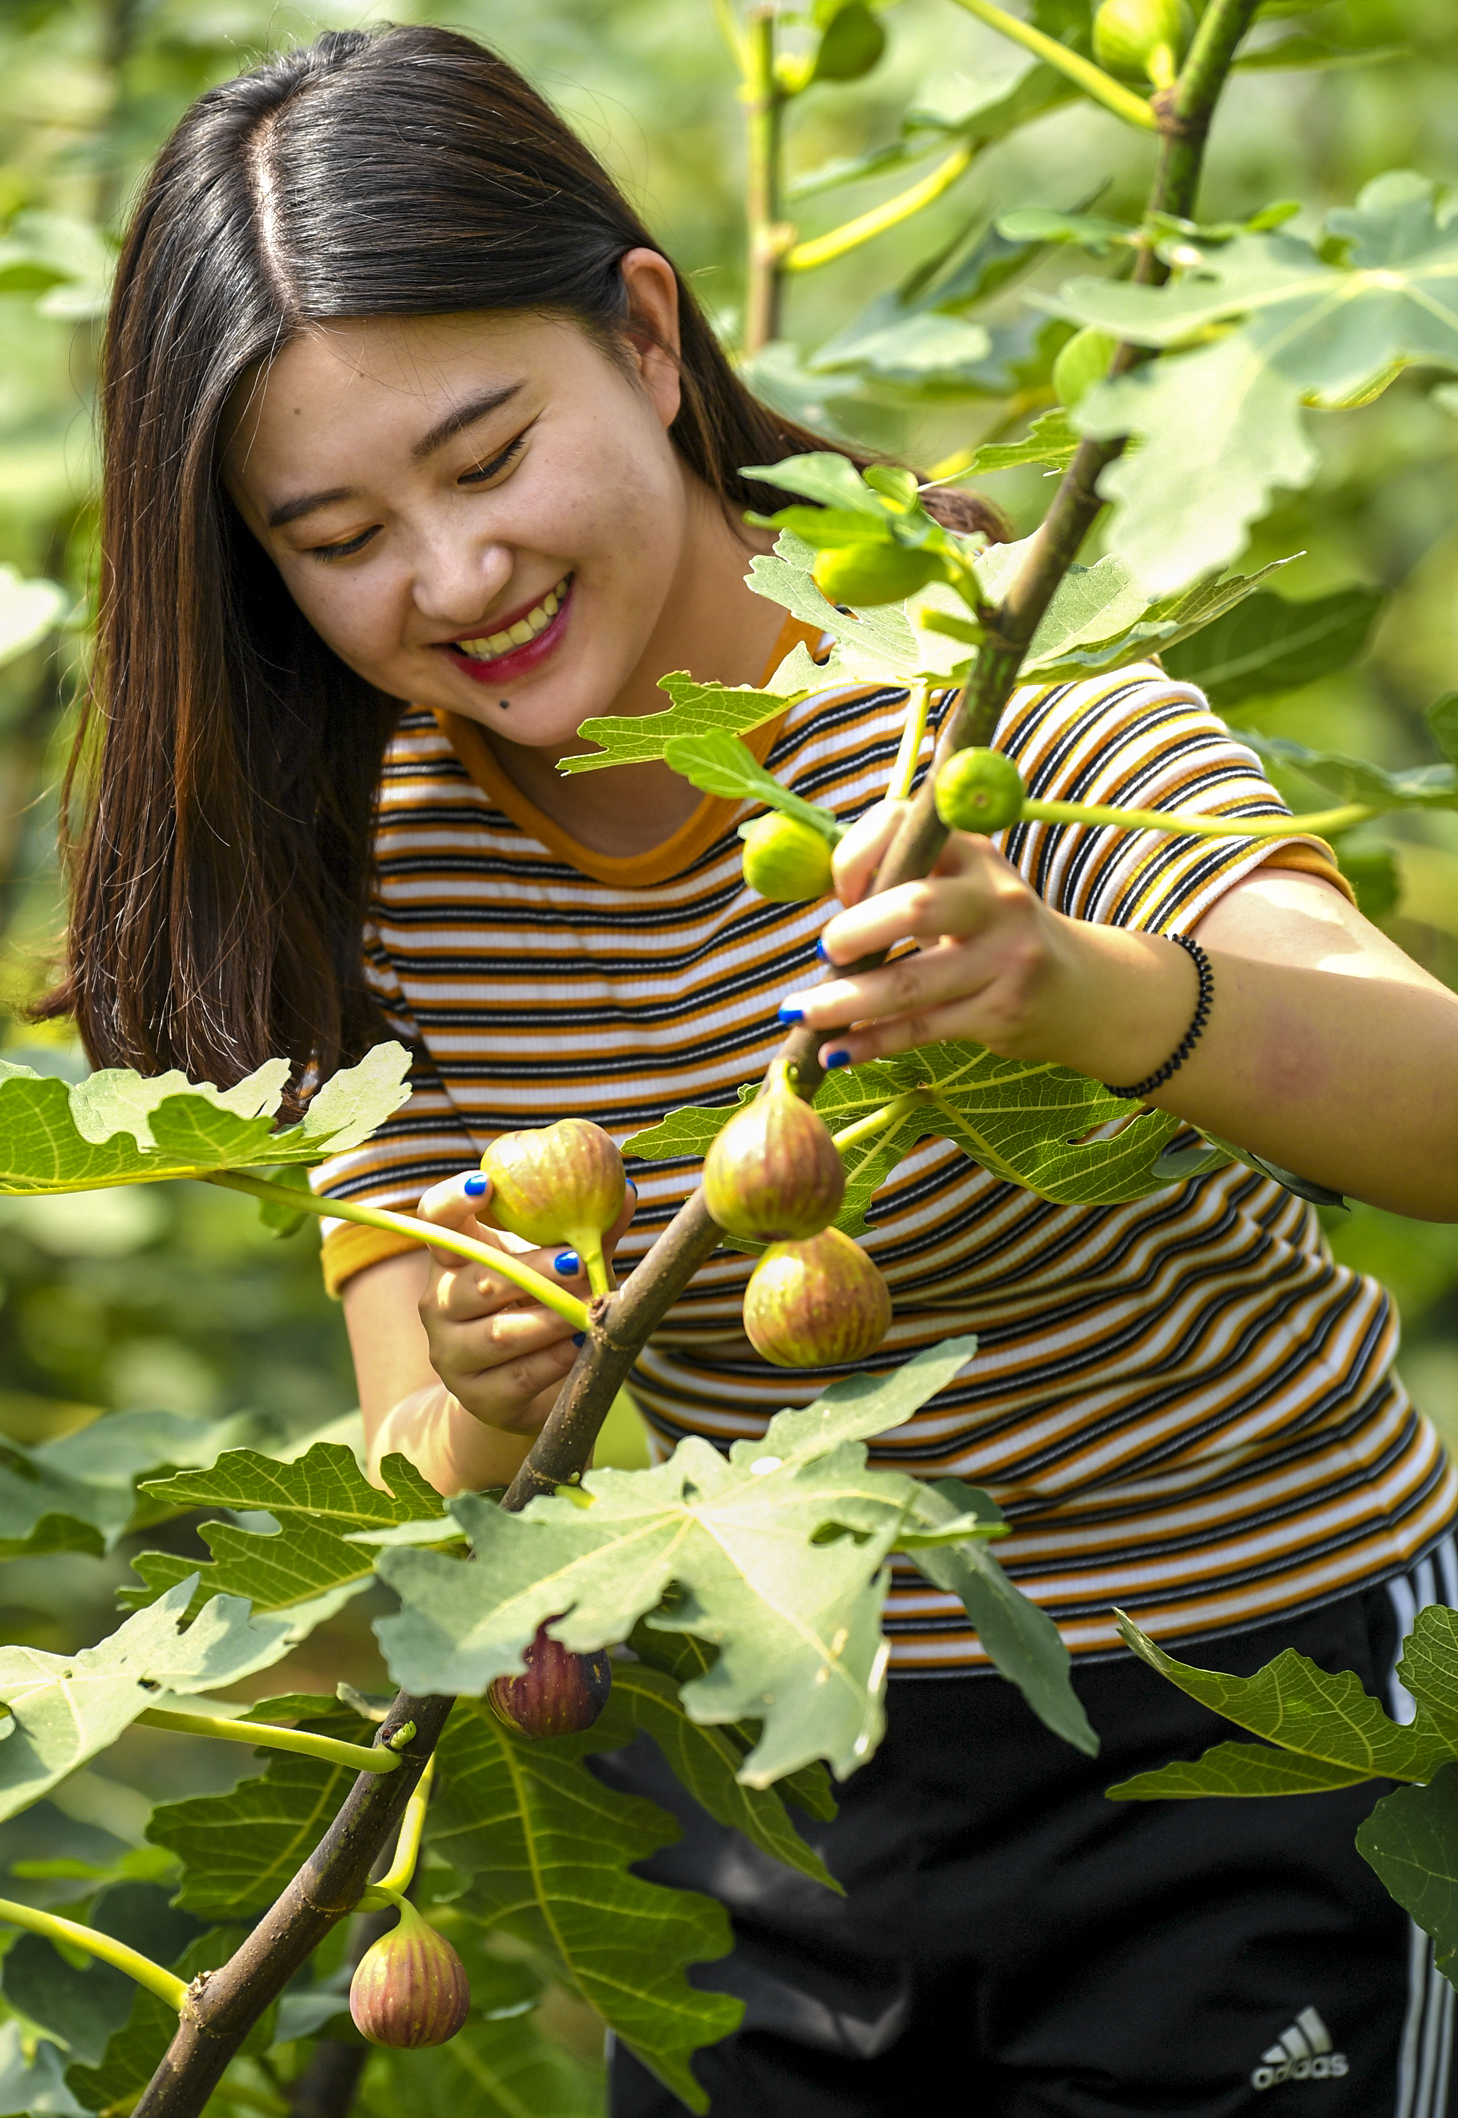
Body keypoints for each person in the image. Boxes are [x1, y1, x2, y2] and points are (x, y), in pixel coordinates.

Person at [44, 23, 1458, 2116]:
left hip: (1244, 1734)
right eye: (337, 536)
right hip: (777, 1797)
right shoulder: (357, 881)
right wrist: (484, 1377)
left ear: (646, 331)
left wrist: (1080, 991)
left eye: (487, 454)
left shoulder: (978, 706)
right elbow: (426, 1496)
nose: (452, 577)